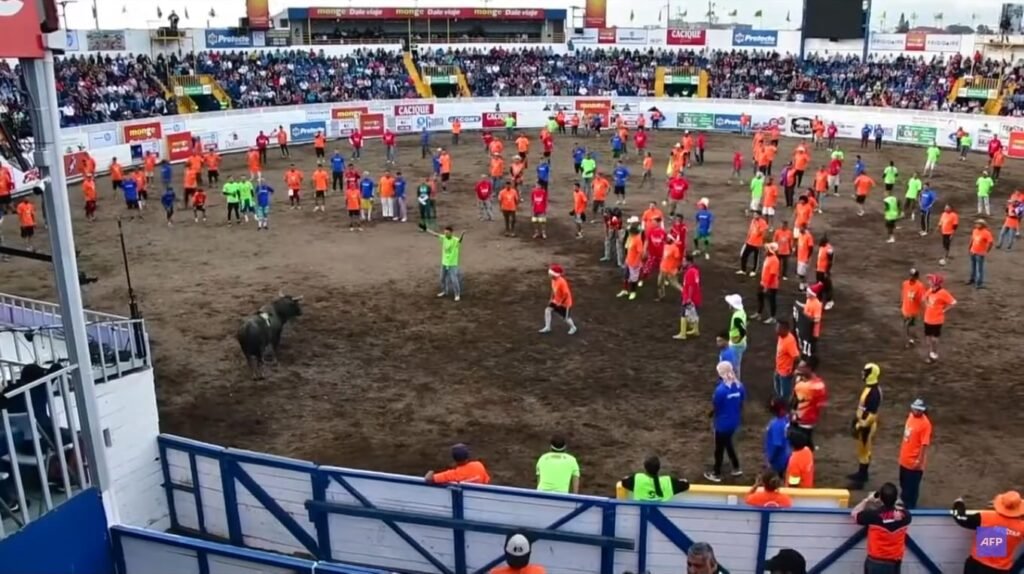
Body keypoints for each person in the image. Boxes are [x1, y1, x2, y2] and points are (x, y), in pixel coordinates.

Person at [951, 490, 1024, 574]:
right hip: (999, 570)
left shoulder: (985, 517)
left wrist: (958, 504)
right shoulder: (1021, 527)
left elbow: (960, 518)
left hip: (976, 566)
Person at [852, 483, 912, 573]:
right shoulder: (905, 516)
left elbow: (855, 513)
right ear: (896, 499)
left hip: (875, 562)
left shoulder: (873, 515)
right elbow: (899, 509)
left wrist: (867, 500)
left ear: (881, 498)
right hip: (894, 564)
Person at [704, 361, 746, 483]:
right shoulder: (740, 386)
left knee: (719, 449)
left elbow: (716, 406)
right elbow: (741, 403)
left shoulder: (720, 390)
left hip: (722, 424)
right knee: (728, 443)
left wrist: (710, 414)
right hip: (734, 422)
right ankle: (736, 467)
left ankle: (716, 473)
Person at [848, 363, 883, 490]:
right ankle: (861, 474)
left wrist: (862, 425)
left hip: (867, 425)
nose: (862, 374)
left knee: (864, 451)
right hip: (863, 423)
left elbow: (872, 414)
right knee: (862, 450)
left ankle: (861, 479)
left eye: (865, 372)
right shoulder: (871, 388)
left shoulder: (873, 393)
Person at [898, 398, 931, 509]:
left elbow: (924, 444)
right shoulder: (910, 416)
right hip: (904, 460)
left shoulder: (925, 424)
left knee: (911, 490)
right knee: (903, 484)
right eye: (915, 409)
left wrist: (919, 461)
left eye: (919, 410)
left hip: (914, 464)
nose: (916, 412)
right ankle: (904, 504)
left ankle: (910, 509)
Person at [619, 455, 689, 502]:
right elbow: (686, 484)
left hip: (642, 518)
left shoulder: (637, 479)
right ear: (659, 468)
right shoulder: (669, 482)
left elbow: (624, 481)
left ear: (645, 468)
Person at [792, 361, 828, 449]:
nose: (798, 369)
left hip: (807, 418)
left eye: (801, 367)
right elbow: (794, 398)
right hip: (800, 417)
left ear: (809, 368)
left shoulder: (815, 386)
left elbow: (821, 405)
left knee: (802, 442)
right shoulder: (802, 381)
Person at [425, 225, 464, 302]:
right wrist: (426, 229)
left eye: (447, 233)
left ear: (451, 233)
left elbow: (460, 241)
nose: (446, 234)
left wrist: (462, 234)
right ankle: (444, 291)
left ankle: (457, 294)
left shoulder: (455, 240)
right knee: (442, 278)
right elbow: (435, 234)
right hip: (444, 262)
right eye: (445, 233)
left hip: (452, 263)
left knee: (454, 279)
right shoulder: (443, 238)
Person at [922, 273, 956, 363]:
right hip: (927, 318)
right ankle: (930, 353)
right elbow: (924, 298)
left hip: (937, 320)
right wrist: (927, 304)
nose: (929, 282)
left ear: (935, 283)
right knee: (928, 337)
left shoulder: (943, 293)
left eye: (931, 280)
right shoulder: (930, 290)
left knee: (934, 338)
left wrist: (944, 310)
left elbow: (953, 302)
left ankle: (934, 352)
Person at [539, 264, 578, 335]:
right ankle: (547, 327)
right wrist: (551, 298)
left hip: (565, 303)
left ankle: (573, 327)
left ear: (554, 274)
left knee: (566, 318)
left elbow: (566, 294)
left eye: (550, 274)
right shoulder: (553, 280)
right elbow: (553, 290)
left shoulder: (561, 282)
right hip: (557, 300)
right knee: (547, 310)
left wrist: (560, 303)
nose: (549, 275)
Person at [425, 443, 490, 484]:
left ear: (454, 459)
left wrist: (431, 471)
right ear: (468, 456)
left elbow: (428, 479)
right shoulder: (478, 465)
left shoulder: (452, 474)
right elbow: (486, 481)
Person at [675, 252, 702, 340]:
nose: (682, 263)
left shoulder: (690, 272)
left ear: (688, 262)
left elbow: (690, 286)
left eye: (684, 261)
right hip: (697, 297)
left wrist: (689, 299)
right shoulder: (695, 270)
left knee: (683, 314)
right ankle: (695, 330)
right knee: (695, 314)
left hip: (690, 297)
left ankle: (682, 334)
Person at [753, 243, 781, 323]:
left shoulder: (774, 260)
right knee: (760, 297)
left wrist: (767, 286)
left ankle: (772, 317)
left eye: (766, 249)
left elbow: (772, 275)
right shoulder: (768, 258)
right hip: (764, 283)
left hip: (771, 285)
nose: (764, 250)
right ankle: (759, 313)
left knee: (771, 301)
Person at [764, 398, 791, 476]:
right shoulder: (786, 420)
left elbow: (776, 445)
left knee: (775, 479)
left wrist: (769, 459)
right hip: (785, 455)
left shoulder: (776, 424)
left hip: (777, 460)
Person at [774, 321, 800, 401]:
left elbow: (796, 357)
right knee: (778, 391)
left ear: (785, 329)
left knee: (785, 395)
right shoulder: (781, 336)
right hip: (778, 369)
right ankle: (779, 405)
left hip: (785, 372)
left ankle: (785, 409)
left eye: (779, 328)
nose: (776, 330)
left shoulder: (789, 341)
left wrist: (792, 371)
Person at [900, 269, 927, 346]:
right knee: (907, 325)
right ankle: (910, 339)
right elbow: (904, 294)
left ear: (917, 277)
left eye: (913, 276)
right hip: (905, 308)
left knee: (909, 325)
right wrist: (902, 303)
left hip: (913, 310)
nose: (911, 278)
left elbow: (923, 297)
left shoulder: (920, 286)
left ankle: (910, 340)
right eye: (911, 276)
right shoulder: (905, 283)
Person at [738, 212, 768, 276]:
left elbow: (763, 232)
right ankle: (743, 270)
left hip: (757, 243)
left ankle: (754, 271)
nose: (754, 216)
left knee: (756, 258)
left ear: (759, 215)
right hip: (750, 241)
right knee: (744, 255)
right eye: (754, 215)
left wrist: (761, 239)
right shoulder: (753, 221)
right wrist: (747, 239)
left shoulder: (762, 222)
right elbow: (750, 230)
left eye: (756, 215)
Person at [724, 294, 747, 378]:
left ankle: (736, 386)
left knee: (734, 367)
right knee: (736, 366)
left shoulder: (737, 317)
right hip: (741, 343)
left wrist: (735, 341)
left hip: (736, 345)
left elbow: (742, 331)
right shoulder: (741, 312)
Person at [967, 219, 994, 288]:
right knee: (973, 267)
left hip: (980, 253)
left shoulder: (987, 233)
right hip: (973, 251)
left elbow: (990, 243)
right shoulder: (975, 231)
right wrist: (969, 248)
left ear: (983, 225)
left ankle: (979, 283)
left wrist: (986, 251)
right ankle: (972, 279)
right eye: (976, 224)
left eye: (978, 224)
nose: (976, 225)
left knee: (979, 268)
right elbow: (972, 239)